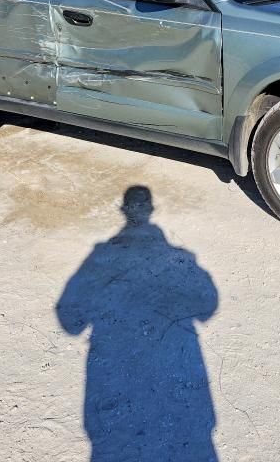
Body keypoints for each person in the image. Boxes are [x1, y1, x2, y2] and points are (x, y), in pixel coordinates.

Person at [56, 186, 219, 461]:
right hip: (177, 383)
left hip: (111, 384)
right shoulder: (183, 259)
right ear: (150, 211)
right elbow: (208, 305)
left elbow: (70, 321)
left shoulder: (99, 257)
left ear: (125, 211)